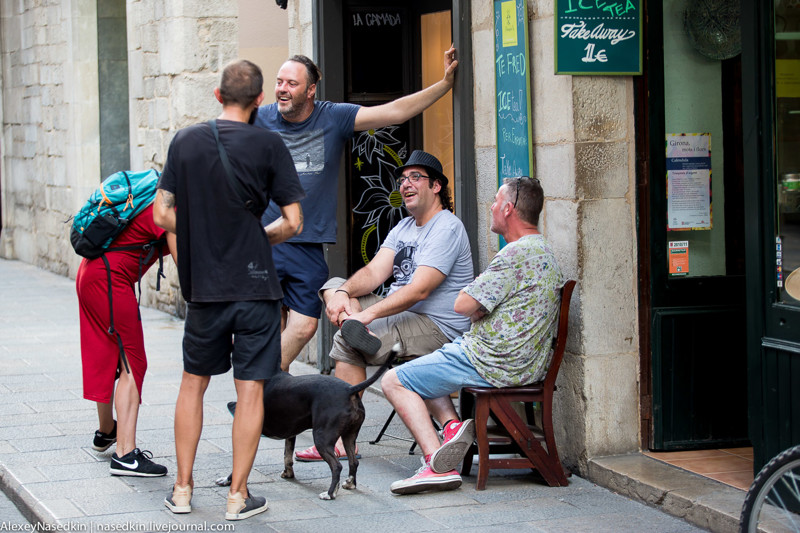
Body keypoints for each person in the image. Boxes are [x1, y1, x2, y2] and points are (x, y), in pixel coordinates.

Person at [153, 59, 305, 521]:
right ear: (259, 99)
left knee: (192, 385)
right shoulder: (270, 143)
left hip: (207, 290)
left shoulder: (186, 141)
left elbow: (161, 216)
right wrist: (261, 237)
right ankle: (238, 497)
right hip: (257, 288)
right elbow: (294, 221)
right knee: (252, 390)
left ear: (217, 96)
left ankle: (182, 490)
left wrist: (202, 231)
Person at [254, 48, 459, 372]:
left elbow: (395, 112)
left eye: (291, 83)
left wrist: (444, 85)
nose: (282, 88)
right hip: (267, 236)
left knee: (305, 324)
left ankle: (262, 385)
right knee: (268, 326)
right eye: (279, 81)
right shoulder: (259, 118)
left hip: (307, 241)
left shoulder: (333, 117)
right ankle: (265, 398)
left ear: (310, 90)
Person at [381, 176, 564, 495]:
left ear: (508, 209)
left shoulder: (513, 255)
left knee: (393, 381)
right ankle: (452, 429)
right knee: (422, 363)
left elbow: (462, 303)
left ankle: (436, 465)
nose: (491, 207)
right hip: (520, 361)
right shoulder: (545, 251)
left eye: (495, 201)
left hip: (489, 359)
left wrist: (477, 304)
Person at [294, 150, 474, 462]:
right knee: (333, 284)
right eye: (403, 179)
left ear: (436, 187)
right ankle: (350, 323)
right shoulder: (404, 227)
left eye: (416, 177)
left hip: (435, 325)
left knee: (347, 341)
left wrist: (367, 314)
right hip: (402, 316)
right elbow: (376, 272)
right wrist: (345, 294)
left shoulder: (447, 227)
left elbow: (419, 290)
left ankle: (336, 439)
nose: (406, 184)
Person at [77, 205, 177, 477]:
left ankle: (106, 431)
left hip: (91, 271)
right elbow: (185, 263)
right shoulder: (170, 208)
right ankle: (125, 455)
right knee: (134, 362)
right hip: (110, 280)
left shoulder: (152, 198)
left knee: (111, 354)